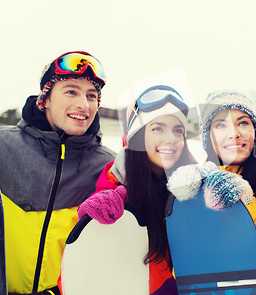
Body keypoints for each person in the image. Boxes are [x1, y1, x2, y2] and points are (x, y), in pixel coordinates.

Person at [0, 51, 116, 295]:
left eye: (92, 95)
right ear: (45, 98)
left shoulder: (109, 168)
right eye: (71, 91)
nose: (84, 104)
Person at [72, 85, 198, 295]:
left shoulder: (195, 184)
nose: (170, 138)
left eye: (178, 130)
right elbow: (84, 272)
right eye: (158, 128)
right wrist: (94, 222)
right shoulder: (118, 187)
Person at [198, 90, 256, 226]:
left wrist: (245, 206)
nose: (234, 134)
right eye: (221, 125)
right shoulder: (199, 189)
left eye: (242, 123)